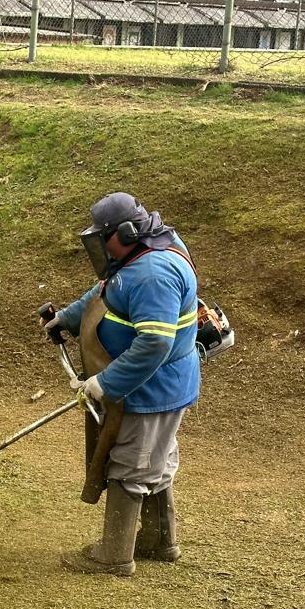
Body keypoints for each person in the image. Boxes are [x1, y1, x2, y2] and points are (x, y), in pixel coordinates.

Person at [44, 193, 200, 577]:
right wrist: (66, 317)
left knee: (132, 464)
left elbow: (155, 342)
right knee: (154, 457)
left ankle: (114, 555)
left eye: (103, 235)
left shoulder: (153, 274)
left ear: (127, 233)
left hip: (150, 388)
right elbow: (107, 294)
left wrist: (106, 382)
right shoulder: (140, 254)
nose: (98, 243)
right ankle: (160, 541)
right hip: (148, 384)